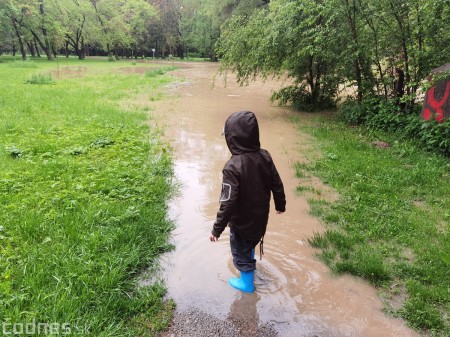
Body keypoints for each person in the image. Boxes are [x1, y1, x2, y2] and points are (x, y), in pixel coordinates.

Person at [209, 111, 286, 293]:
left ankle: (246, 284)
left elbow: (228, 202)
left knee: (240, 249)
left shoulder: (232, 167)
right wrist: (280, 204)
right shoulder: (265, 156)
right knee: (250, 242)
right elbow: (277, 182)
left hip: (242, 222)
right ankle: (249, 267)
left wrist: (217, 229)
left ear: (231, 139)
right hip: (260, 217)